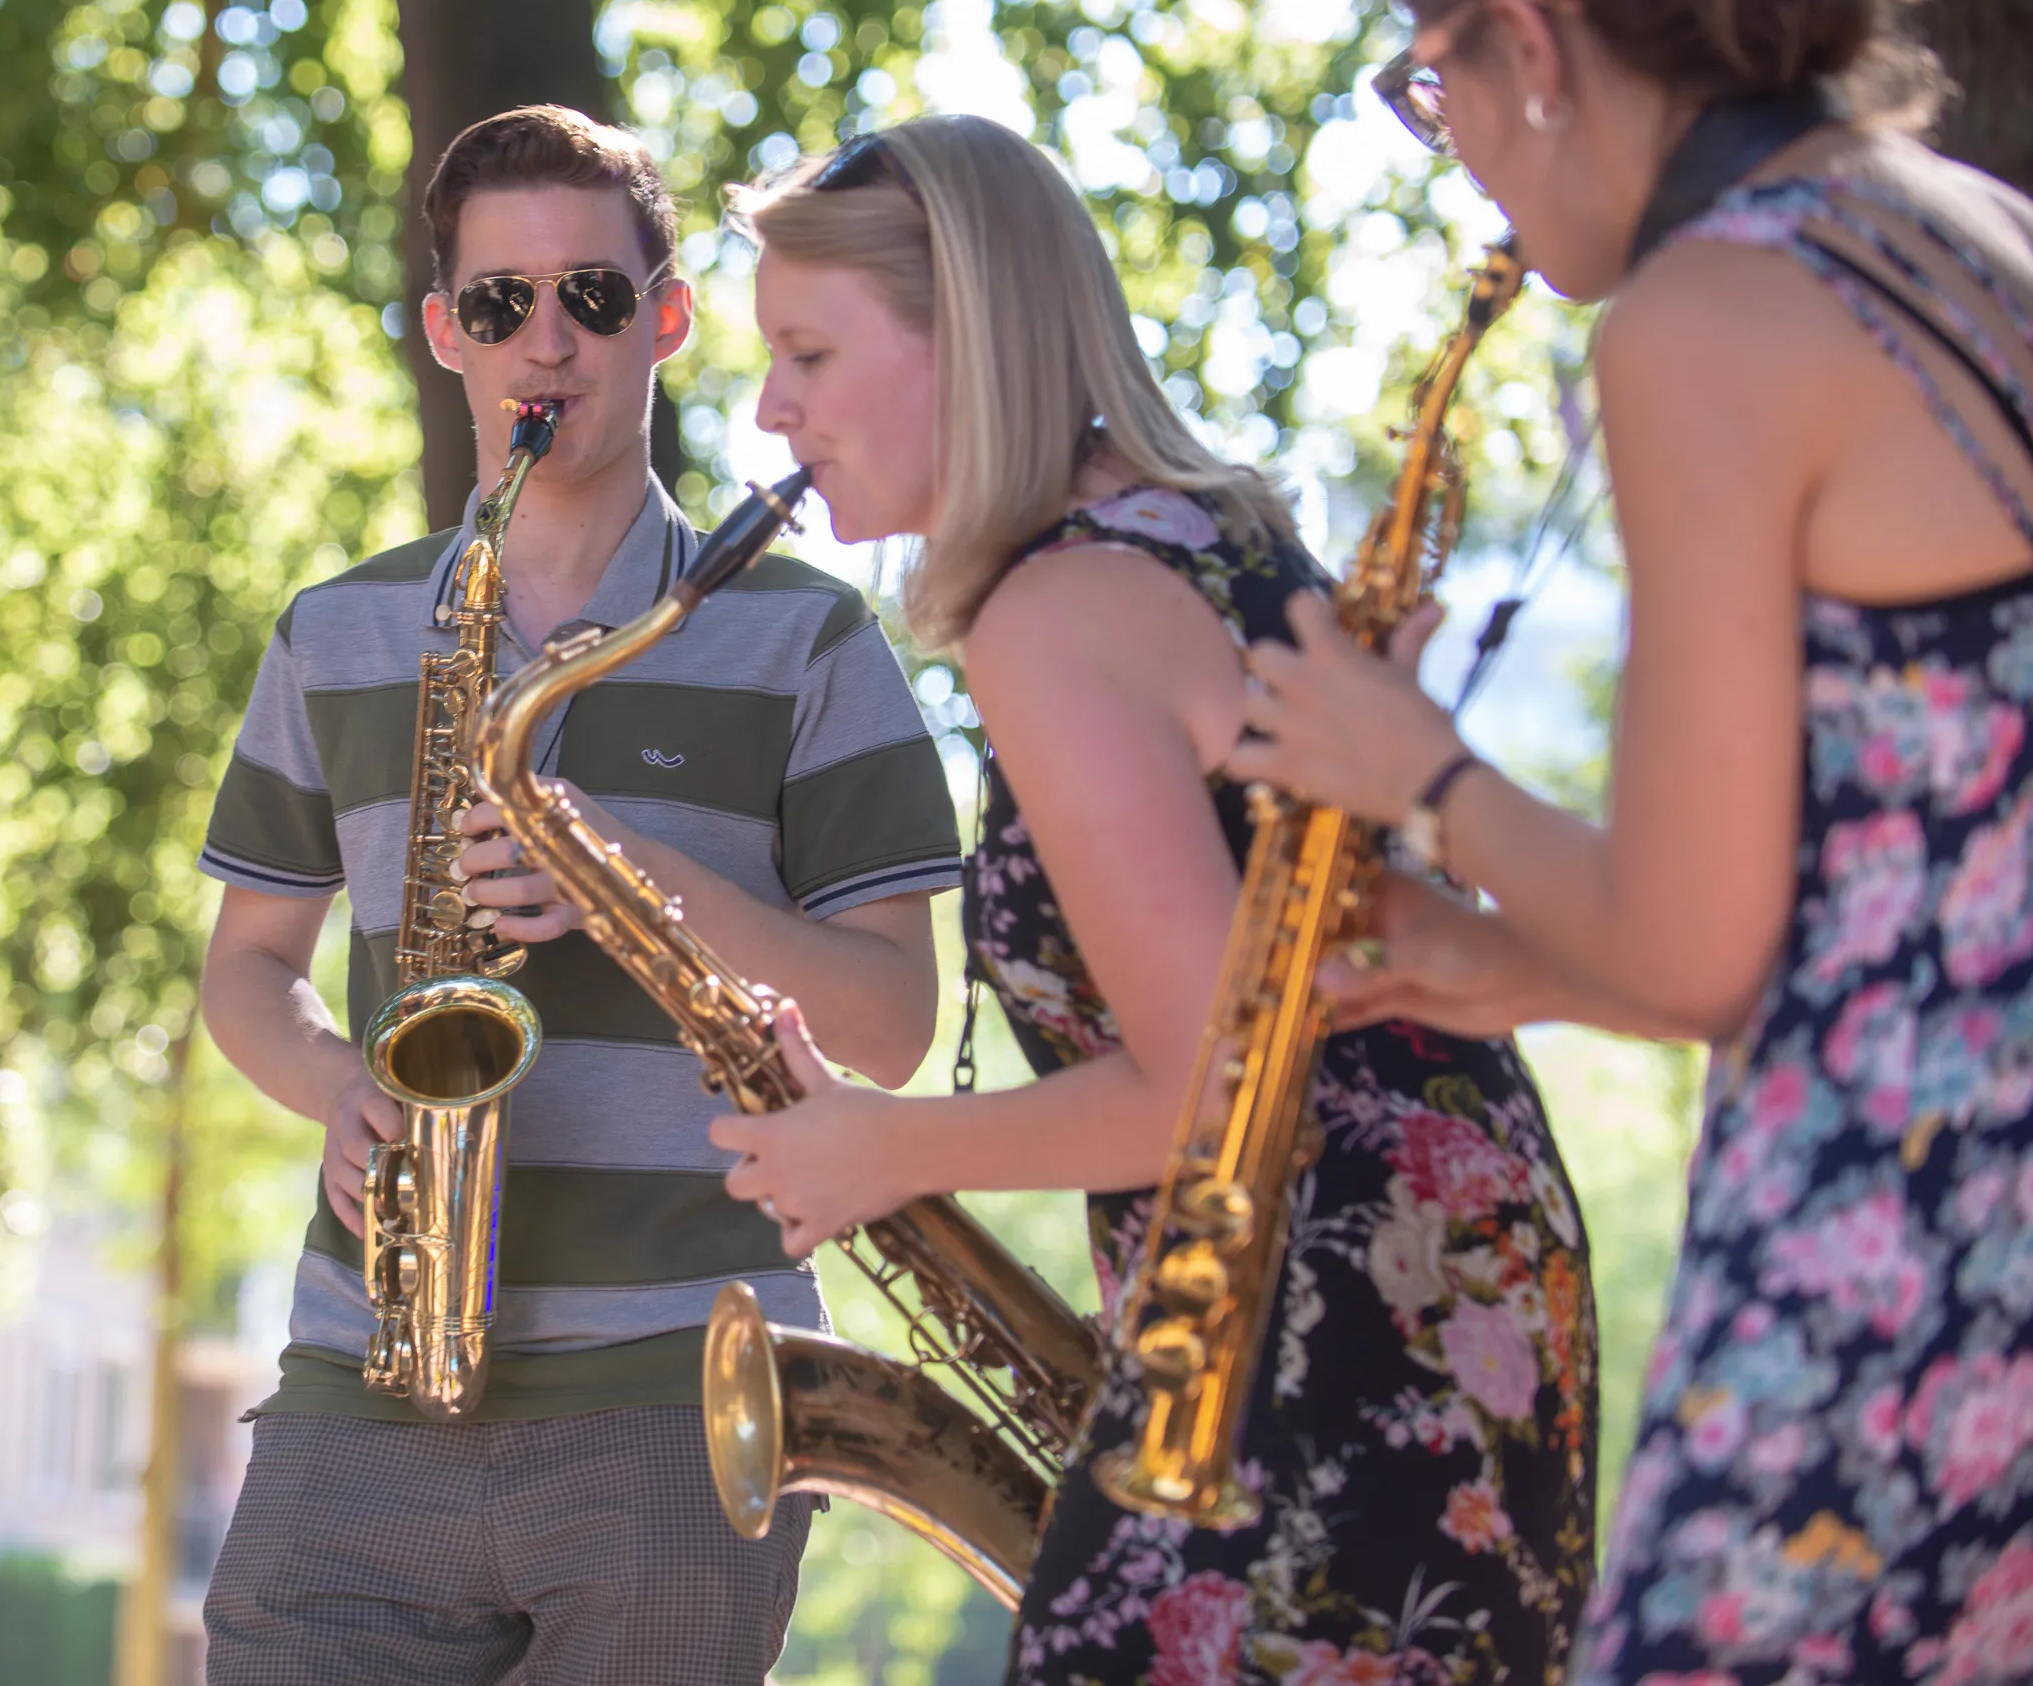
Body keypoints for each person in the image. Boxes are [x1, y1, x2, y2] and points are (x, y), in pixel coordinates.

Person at [1229, 0, 2033, 1686]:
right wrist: (1531, 962)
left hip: (1898, 1270)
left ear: (1533, 40)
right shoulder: (1978, 231)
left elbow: (1695, 942)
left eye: (1438, 88)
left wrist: (1405, 766)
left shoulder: (1708, 311)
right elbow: (1931, 877)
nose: (1467, 164)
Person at [708, 113, 1598, 1683]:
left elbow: (1213, 1086)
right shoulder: (1222, 534)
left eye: (810, 354)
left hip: (1317, 1333)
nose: (770, 408)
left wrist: (881, 1145)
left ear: (964, 342)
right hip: (1455, 1281)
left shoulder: (1053, 613)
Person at [193, 103, 962, 1685]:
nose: (548, 341)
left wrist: (638, 880)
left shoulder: (809, 640)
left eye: (593, 299)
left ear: (668, 316)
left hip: (682, 1389)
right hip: (372, 1367)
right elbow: (248, 965)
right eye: (500, 305)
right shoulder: (336, 632)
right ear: (444, 335)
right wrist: (335, 1082)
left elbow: (893, 1022)